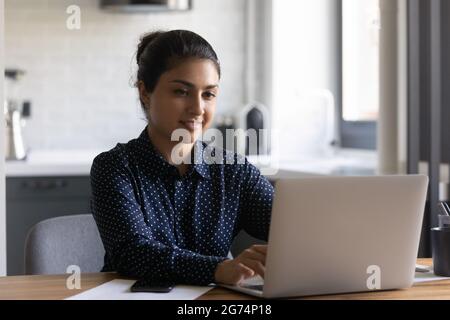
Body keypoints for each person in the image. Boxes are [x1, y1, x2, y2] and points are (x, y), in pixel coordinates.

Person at [90, 29, 274, 287]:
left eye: (208, 94)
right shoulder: (115, 167)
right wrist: (218, 269)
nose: (198, 108)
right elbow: (132, 252)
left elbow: (290, 229)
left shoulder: (234, 171)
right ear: (145, 92)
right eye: (181, 92)